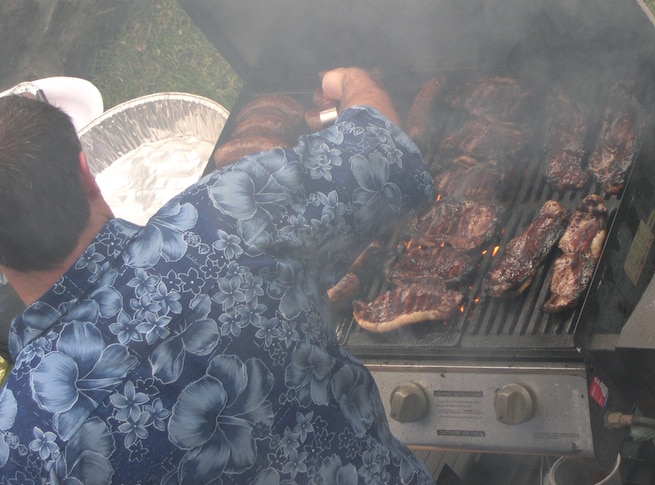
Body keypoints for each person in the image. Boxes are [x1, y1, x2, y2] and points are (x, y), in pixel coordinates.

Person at [0, 68, 436, 484]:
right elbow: (383, 147)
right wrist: (350, 80)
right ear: (85, 171)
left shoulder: (20, 440)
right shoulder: (222, 218)